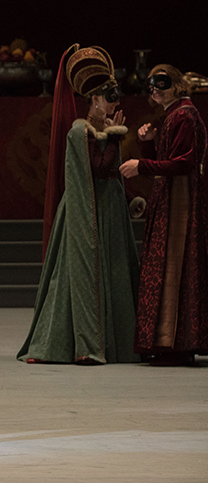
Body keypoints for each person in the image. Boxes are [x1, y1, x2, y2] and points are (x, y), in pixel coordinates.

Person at [17, 45, 141, 365]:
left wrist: (130, 200)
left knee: (113, 274)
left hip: (110, 217)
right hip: (84, 217)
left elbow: (112, 177)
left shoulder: (100, 131)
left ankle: (119, 343)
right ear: (95, 100)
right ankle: (75, 343)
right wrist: (114, 135)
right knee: (78, 277)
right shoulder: (79, 130)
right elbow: (98, 169)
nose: (115, 102)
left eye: (116, 95)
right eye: (109, 96)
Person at [120, 64, 208, 366]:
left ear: (177, 84)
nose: (155, 89)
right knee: (168, 265)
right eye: (152, 84)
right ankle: (168, 343)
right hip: (171, 199)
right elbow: (167, 163)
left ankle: (177, 345)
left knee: (175, 264)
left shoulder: (184, 115)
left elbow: (183, 163)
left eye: (162, 82)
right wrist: (147, 146)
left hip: (180, 203)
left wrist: (141, 165)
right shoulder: (174, 115)